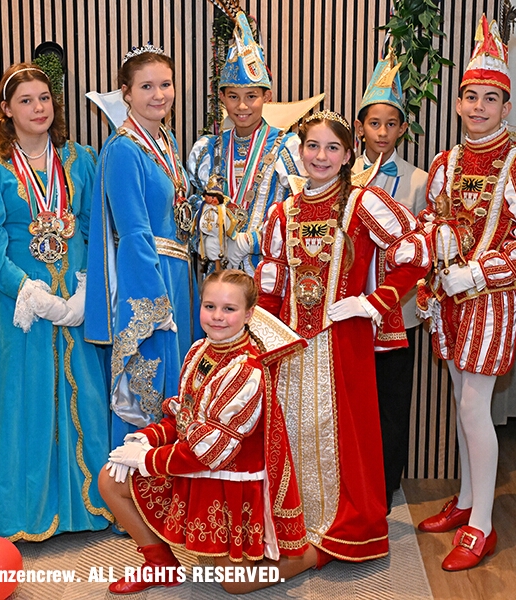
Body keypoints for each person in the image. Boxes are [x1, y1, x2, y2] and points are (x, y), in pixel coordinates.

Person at [0, 63, 113, 540]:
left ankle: (85, 504)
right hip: (20, 306)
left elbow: (93, 226)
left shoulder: (80, 158)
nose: (38, 108)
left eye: (45, 98)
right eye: (26, 100)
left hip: (73, 300)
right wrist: (26, 290)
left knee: (82, 395)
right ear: (7, 110)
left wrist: (85, 288)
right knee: (18, 399)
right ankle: (21, 507)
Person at [415, 16, 516, 571]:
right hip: (448, 301)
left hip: (491, 300)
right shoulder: (445, 162)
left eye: (491, 98)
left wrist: (480, 273)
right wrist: (435, 248)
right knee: (462, 400)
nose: (479, 107)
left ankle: (482, 524)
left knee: (475, 404)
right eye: (470, 97)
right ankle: (467, 498)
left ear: (507, 106)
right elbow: (433, 219)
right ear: (458, 103)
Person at [256, 110, 429, 563]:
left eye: (332, 147)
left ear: (349, 154)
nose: (321, 156)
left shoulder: (364, 202)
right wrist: (260, 339)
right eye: (312, 146)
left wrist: (373, 303)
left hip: (343, 341)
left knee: (344, 434)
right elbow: (273, 281)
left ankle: (343, 526)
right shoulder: (283, 212)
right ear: (300, 151)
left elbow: (416, 251)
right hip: (290, 346)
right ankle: (294, 524)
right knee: (293, 430)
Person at [100, 269, 310, 594]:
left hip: (227, 485)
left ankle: (313, 555)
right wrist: (148, 437)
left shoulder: (246, 370)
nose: (217, 316)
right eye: (210, 306)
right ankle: (160, 565)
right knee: (110, 480)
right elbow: (183, 416)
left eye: (229, 309)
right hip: (191, 466)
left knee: (236, 585)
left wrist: (147, 459)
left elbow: (211, 451)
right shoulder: (200, 350)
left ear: (249, 314)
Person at [85, 46, 200, 446]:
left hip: (179, 276)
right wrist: (155, 303)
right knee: (152, 384)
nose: (159, 94)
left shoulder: (164, 140)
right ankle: (140, 480)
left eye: (165, 84)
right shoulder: (123, 149)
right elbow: (133, 232)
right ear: (126, 93)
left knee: (178, 385)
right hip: (150, 282)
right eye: (146, 86)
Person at [352, 47, 428, 512]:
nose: (382, 132)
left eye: (391, 124)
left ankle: (385, 486)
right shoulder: (341, 173)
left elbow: (424, 251)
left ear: (402, 128)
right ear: (360, 126)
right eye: (374, 123)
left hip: (399, 314)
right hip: (349, 311)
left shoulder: (419, 180)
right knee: (351, 400)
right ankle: (352, 482)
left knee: (392, 401)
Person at [187, 11, 305, 274]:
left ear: (267, 97)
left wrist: (250, 241)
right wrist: (205, 228)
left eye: (251, 96)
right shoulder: (209, 150)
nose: (242, 106)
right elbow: (192, 203)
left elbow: (299, 211)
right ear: (222, 98)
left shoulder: (287, 148)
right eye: (233, 97)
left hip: (268, 274)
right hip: (219, 273)